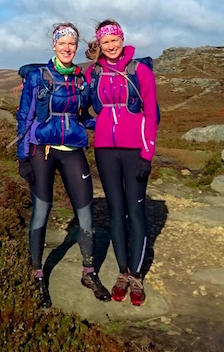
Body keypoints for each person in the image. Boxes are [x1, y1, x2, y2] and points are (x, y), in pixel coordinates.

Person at [15, 22, 111, 308]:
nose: (68, 48)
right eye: (62, 43)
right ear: (54, 46)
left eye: (72, 44)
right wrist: (22, 157)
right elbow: (24, 118)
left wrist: (110, 122)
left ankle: (89, 272)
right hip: (41, 150)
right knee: (41, 212)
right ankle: (37, 273)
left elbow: (83, 116)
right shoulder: (38, 77)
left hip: (72, 149)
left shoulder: (81, 80)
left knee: (86, 213)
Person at [85, 19, 158, 306]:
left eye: (114, 40)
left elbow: (151, 115)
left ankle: (137, 275)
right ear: (99, 45)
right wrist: (31, 77)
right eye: (105, 42)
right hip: (104, 149)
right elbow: (68, 80)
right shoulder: (93, 72)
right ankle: (123, 272)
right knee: (115, 212)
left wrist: (147, 155)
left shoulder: (140, 71)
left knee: (135, 212)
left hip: (133, 150)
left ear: (122, 38)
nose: (111, 46)